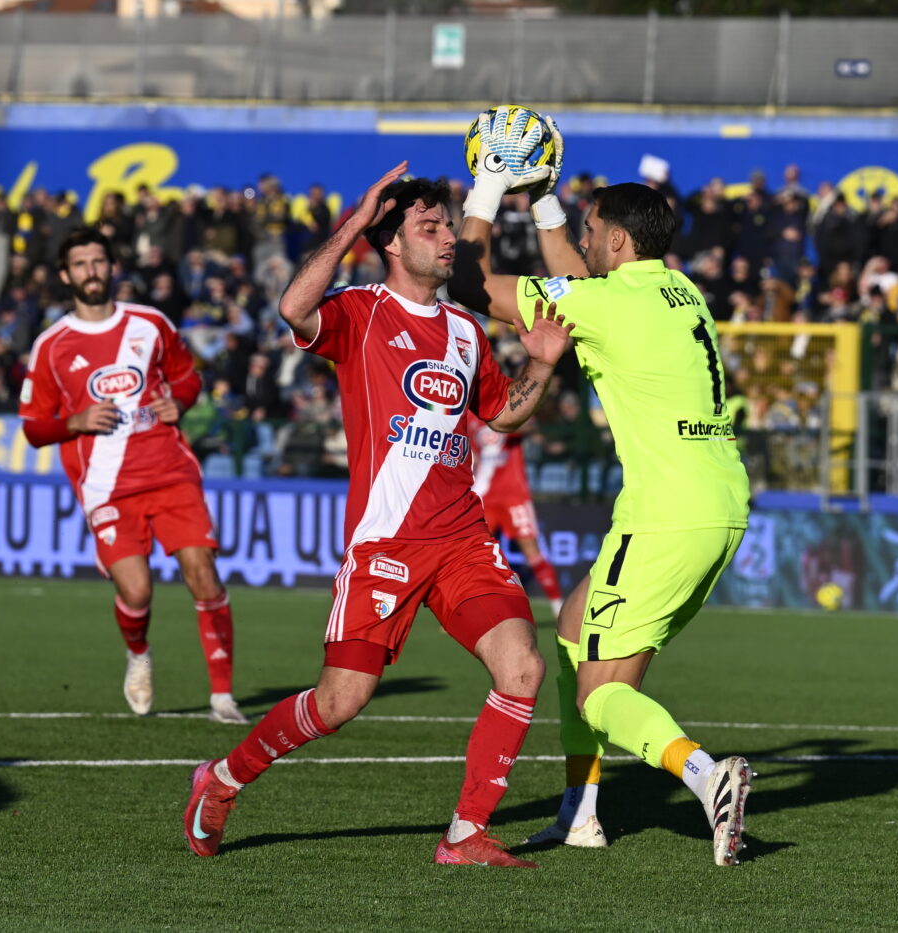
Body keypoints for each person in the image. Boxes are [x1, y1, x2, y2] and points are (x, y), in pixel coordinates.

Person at [183, 162, 575, 868]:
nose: (449, 236)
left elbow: (501, 413)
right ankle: (223, 778)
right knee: (340, 701)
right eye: (430, 227)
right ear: (391, 242)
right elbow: (293, 308)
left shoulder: (463, 329)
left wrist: (542, 366)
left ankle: (464, 835)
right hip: (385, 543)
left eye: (449, 224)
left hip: (461, 538)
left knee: (522, 667)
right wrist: (352, 222)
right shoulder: (360, 312)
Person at [449, 107, 754, 866]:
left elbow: (463, 281)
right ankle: (580, 811)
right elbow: (580, 282)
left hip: (665, 512)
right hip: (716, 499)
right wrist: (546, 196)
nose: (580, 241)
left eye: (589, 229)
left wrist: (489, 187)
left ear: (618, 240)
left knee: (600, 695)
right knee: (570, 628)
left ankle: (707, 773)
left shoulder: (607, 302)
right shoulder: (678, 292)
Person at [18, 227, 246, 725]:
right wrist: (74, 422)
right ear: (65, 275)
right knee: (137, 591)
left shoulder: (151, 324)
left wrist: (179, 401)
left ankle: (223, 698)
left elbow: (188, 376)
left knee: (203, 576)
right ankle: (138, 653)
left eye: (98, 261)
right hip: (106, 486)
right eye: (79, 264)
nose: (90, 271)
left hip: (169, 471)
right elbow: (34, 429)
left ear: (113, 267)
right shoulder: (51, 345)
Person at [470, 416, 565, 616]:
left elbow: (530, 425)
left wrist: (509, 424)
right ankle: (473, 607)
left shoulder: (506, 408)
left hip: (514, 496)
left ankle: (558, 607)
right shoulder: (468, 417)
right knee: (473, 554)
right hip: (483, 495)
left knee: (532, 553)